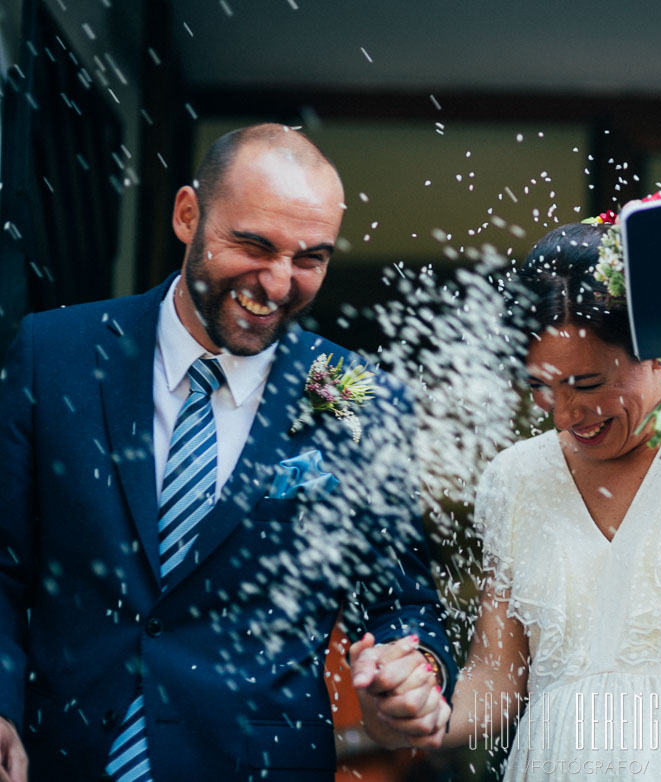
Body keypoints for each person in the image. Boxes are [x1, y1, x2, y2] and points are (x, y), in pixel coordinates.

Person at [0, 124, 455, 781]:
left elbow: (399, 602)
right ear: (189, 214)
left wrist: (416, 675)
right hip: (59, 757)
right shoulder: (54, 353)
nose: (276, 283)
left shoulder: (358, 398)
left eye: (310, 258)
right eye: (253, 244)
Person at [357, 222, 661, 779]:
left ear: (659, 346)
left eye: (585, 384)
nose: (562, 414)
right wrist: (416, 712)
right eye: (542, 386)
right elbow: (498, 678)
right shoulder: (518, 477)